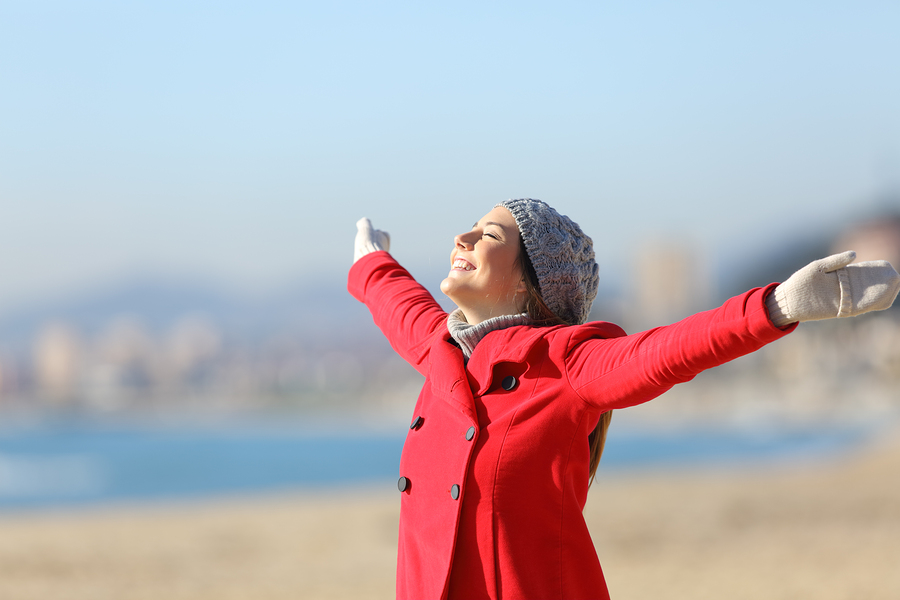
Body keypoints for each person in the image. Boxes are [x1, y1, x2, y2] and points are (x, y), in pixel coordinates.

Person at [348, 198, 900, 600]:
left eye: (489, 235)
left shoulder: (566, 363)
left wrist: (775, 306)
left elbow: (667, 351)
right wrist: (370, 261)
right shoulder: (442, 352)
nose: (462, 240)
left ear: (528, 281)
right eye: (468, 228)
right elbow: (399, 303)